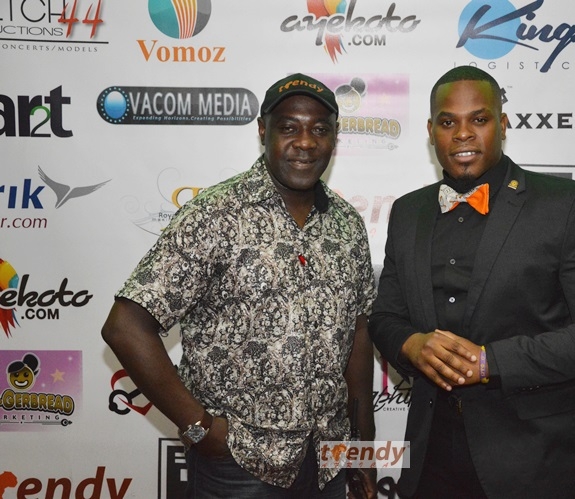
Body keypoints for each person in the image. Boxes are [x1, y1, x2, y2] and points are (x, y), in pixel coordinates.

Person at [101, 73, 377, 499]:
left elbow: (357, 332)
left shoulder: (347, 224)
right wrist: (201, 428)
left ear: (334, 137)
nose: (305, 142)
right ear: (263, 131)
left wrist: (362, 449)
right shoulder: (215, 214)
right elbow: (125, 326)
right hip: (239, 465)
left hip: (328, 461)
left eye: (320, 129)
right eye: (289, 127)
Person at [369, 65, 575, 499]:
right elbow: (385, 317)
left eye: (479, 119)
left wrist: (490, 362)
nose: (462, 134)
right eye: (448, 122)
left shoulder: (564, 204)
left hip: (538, 462)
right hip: (431, 459)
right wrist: (411, 345)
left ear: (504, 123)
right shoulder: (408, 212)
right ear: (431, 131)